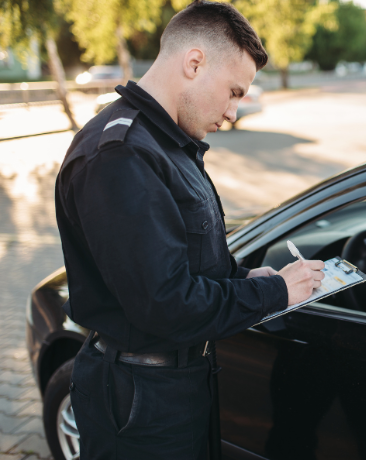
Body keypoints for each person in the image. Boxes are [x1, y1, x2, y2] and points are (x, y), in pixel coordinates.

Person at [54, 2, 325, 458]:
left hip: (171, 384)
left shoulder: (167, 142)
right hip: (141, 398)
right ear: (194, 62)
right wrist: (276, 295)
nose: (235, 113)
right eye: (234, 92)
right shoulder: (121, 155)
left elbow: (184, 259)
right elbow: (165, 304)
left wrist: (244, 279)